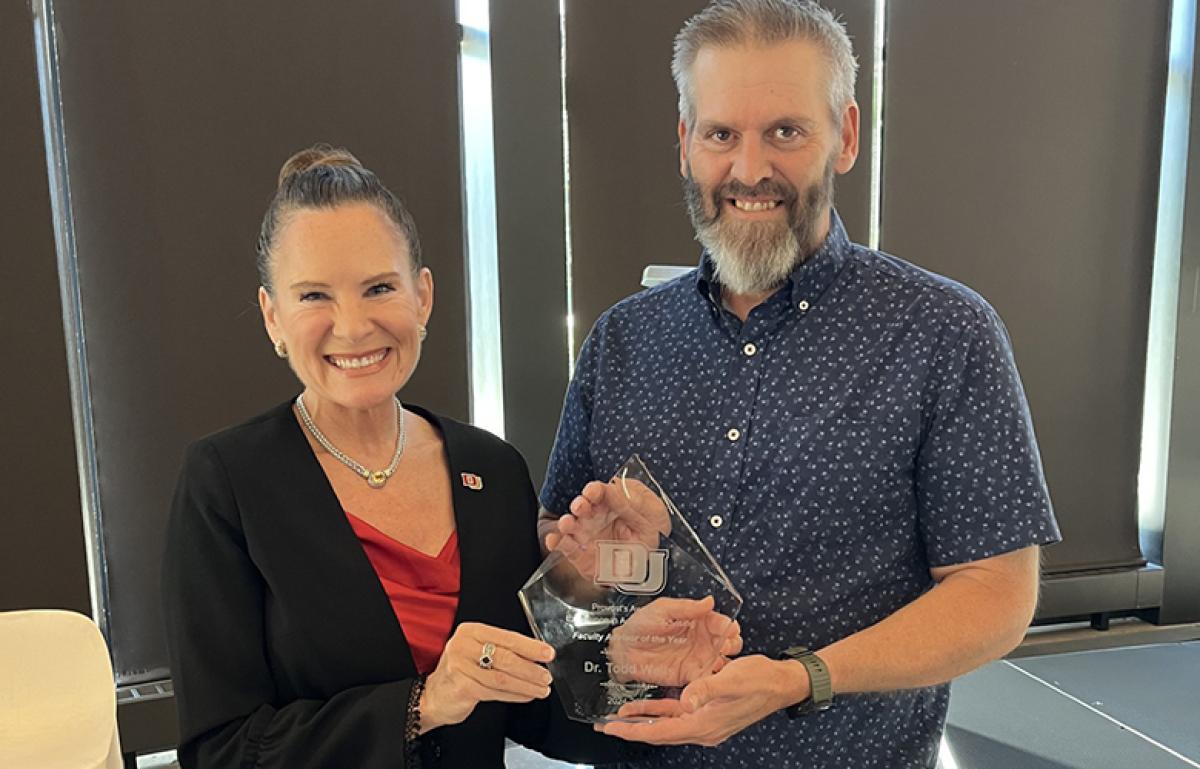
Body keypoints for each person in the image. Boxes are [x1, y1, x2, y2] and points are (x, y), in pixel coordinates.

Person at [539, 1, 1062, 767]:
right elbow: (569, 586)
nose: (750, 169)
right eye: (722, 134)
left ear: (845, 135)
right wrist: (618, 568)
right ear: (685, 144)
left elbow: (996, 593)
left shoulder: (944, 333)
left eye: (785, 131)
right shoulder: (623, 340)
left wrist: (802, 678)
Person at [162, 145, 634, 768]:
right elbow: (219, 753)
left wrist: (612, 619)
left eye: (378, 287)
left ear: (423, 297)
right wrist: (425, 702)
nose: (353, 327)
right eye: (313, 297)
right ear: (272, 317)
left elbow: (548, 708)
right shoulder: (226, 484)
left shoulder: (490, 470)